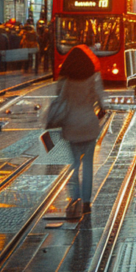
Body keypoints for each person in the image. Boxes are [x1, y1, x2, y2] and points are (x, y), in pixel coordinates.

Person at [58, 45, 108, 215]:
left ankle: (75, 198)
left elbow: (61, 100)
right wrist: (100, 111)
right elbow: (102, 102)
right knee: (87, 165)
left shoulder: (66, 80)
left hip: (71, 125)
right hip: (89, 124)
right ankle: (86, 202)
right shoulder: (93, 77)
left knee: (73, 164)